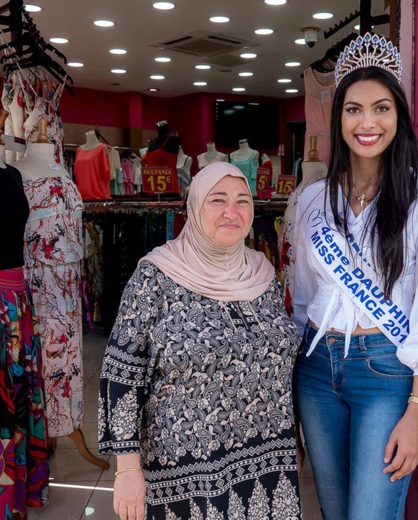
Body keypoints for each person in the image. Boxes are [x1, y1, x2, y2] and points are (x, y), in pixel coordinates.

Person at [291, 33, 418, 519]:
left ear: (399, 116)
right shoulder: (311, 200)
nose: (367, 122)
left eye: (381, 108)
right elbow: (302, 300)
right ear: (339, 117)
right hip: (314, 370)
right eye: (353, 109)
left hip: (386, 372)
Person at [99, 162, 303, 520]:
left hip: (268, 463)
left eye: (242, 201)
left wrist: (296, 440)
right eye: (217, 200)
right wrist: (127, 469)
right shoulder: (156, 275)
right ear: (194, 208)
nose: (231, 212)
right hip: (186, 471)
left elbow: (284, 369)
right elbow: (121, 378)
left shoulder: (263, 273)